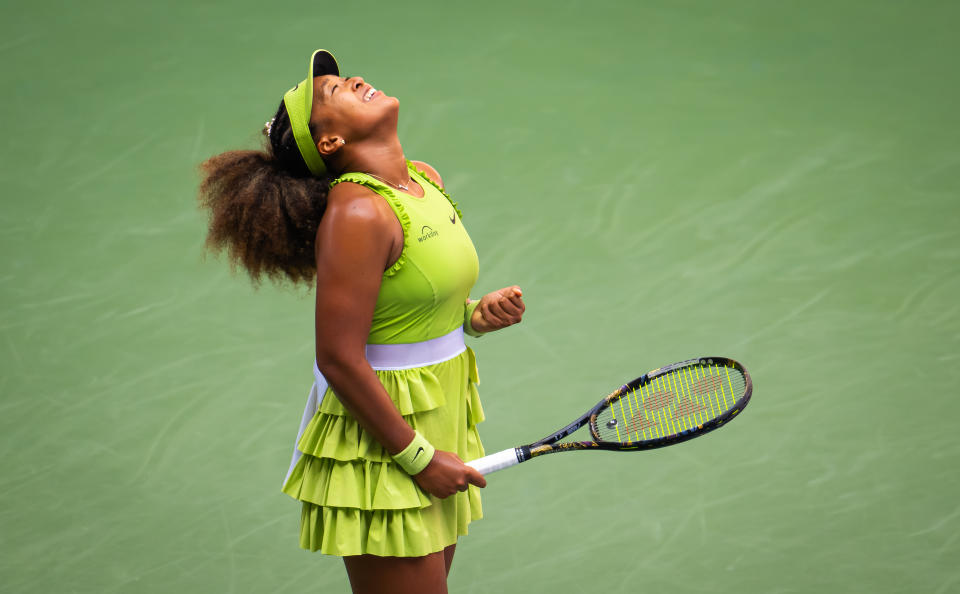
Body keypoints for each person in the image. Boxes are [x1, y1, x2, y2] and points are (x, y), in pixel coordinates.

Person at [197, 49, 526, 594]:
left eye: (343, 78)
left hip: (440, 410)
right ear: (329, 143)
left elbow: (409, 303)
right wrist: (417, 458)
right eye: (334, 92)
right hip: (383, 437)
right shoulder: (357, 213)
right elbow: (338, 357)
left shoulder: (424, 181)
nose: (353, 80)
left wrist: (474, 316)